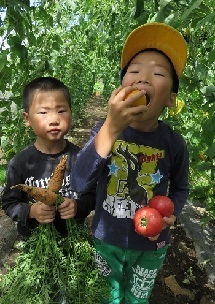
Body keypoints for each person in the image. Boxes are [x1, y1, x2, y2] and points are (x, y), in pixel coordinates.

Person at [71, 22, 189, 304]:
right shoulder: (105, 129)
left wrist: (173, 214)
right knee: (106, 296)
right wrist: (110, 128)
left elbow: (181, 188)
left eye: (158, 73)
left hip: (152, 244)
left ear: (171, 99)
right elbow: (78, 183)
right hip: (106, 239)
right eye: (133, 71)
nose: (143, 78)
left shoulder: (174, 143)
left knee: (138, 298)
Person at [2, 76, 95, 237]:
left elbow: (93, 195)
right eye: (43, 112)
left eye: (61, 111)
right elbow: (9, 203)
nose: (53, 120)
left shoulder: (80, 158)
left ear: (70, 113)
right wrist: (31, 211)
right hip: (35, 242)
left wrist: (77, 206)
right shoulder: (19, 163)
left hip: (72, 239)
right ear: (27, 118)